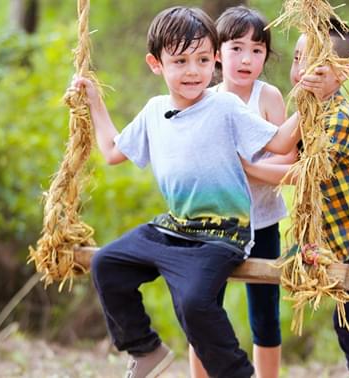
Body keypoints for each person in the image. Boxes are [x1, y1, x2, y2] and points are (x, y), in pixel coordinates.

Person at [71, 6, 301, 378]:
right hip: (175, 227)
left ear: (215, 60)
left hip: (222, 233)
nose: (194, 71)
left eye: (203, 59)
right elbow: (113, 151)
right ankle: (146, 350)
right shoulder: (153, 111)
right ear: (156, 63)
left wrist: (312, 98)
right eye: (180, 61)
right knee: (107, 264)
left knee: (195, 302)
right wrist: (95, 102)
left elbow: (280, 142)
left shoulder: (224, 105)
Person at [244, 19, 349, 378]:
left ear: (344, 72)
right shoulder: (309, 113)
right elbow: (285, 156)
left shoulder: (340, 117)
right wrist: (243, 167)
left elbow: (301, 173)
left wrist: (246, 169)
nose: (300, 69)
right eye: (297, 58)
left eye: (314, 60)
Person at [188, 6, 296, 378]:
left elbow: (289, 166)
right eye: (236, 48)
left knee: (265, 312)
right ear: (217, 53)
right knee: (203, 307)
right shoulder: (205, 99)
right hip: (213, 224)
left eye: (256, 49)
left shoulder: (269, 98)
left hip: (263, 222)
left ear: (267, 55)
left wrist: (247, 169)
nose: (246, 59)